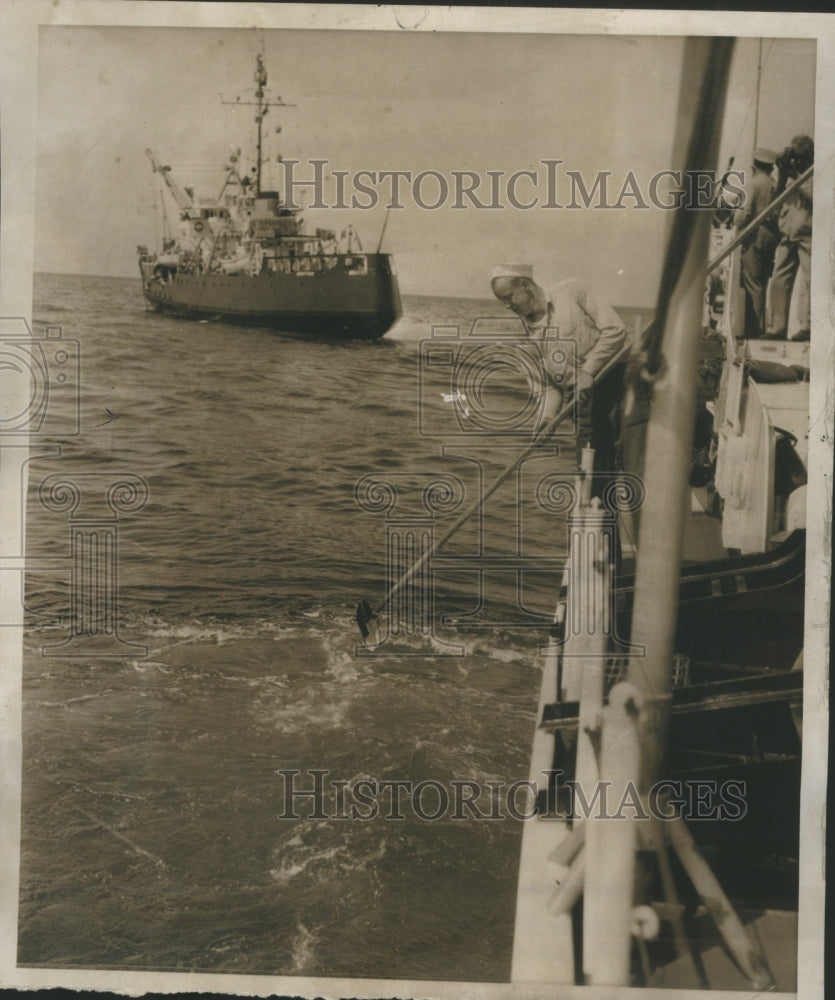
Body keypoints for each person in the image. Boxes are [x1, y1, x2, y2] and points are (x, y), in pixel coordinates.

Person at [489, 263, 628, 501]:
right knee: (592, 481)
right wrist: (546, 419)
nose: (507, 306)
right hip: (583, 406)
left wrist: (588, 371)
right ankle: (604, 534)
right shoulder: (526, 339)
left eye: (508, 297)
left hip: (618, 387)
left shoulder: (573, 290)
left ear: (525, 285)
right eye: (501, 301)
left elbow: (615, 331)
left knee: (632, 465)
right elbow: (548, 387)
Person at [767, 135, 814, 341]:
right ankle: (777, 328)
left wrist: (798, 178)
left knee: (812, 282)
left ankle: (810, 326)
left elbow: (817, 198)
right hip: (788, 236)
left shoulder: (816, 174)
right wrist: (784, 175)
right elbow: (775, 200)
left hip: (808, 235)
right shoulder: (790, 175)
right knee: (778, 282)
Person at [734, 148, 779, 339]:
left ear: (754, 166)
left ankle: (752, 329)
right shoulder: (775, 185)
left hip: (755, 236)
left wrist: (736, 221)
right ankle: (757, 326)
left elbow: (744, 214)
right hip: (772, 236)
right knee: (762, 282)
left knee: (752, 283)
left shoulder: (752, 184)